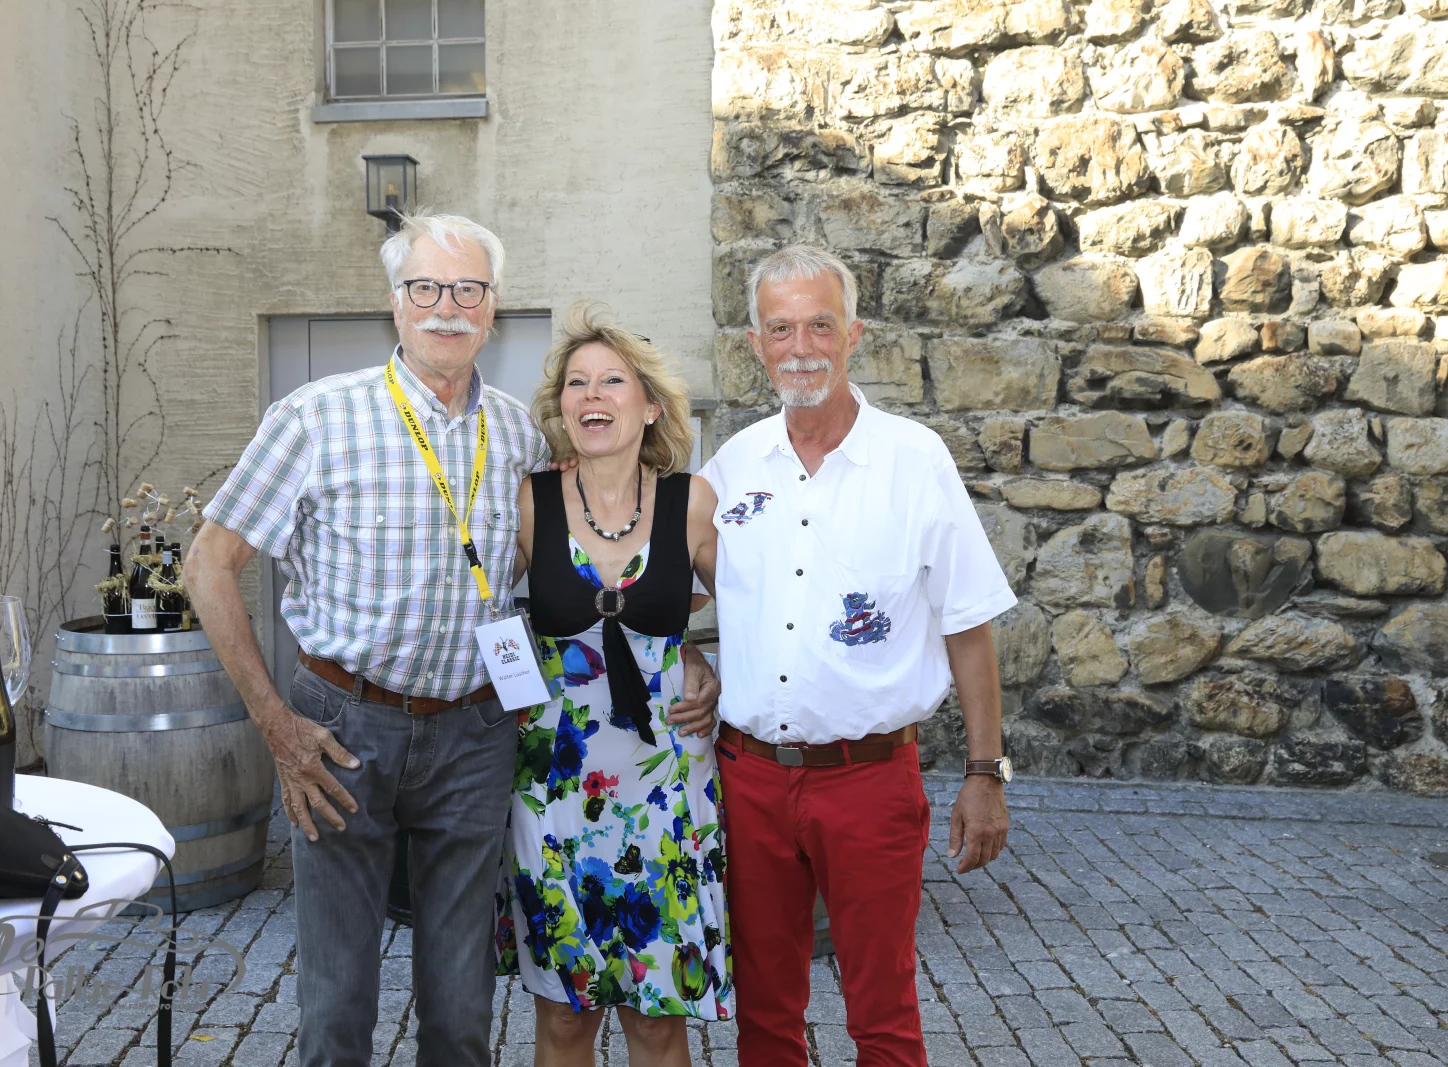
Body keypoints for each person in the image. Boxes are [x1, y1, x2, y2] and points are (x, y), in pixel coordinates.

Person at [187, 216, 717, 1067]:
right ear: (395, 302)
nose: (447, 306)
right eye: (426, 287)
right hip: (343, 727)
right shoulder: (316, 416)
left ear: (492, 308)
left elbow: (592, 570)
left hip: (477, 731)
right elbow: (208, 566)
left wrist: (679, 648)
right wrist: (276, 724)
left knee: (463, 1007)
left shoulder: (520, 439)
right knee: (337, 1002)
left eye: (468, 289)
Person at [702, 244, 1015, 1067]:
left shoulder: (914, 459)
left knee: (884, 1010)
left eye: (819, 325)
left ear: (853, 334)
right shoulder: (731, 467)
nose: (800, 346)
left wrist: (985, 772)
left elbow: (969, 622)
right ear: (755, 344)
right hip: (749, 779)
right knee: (764, 1008)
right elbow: (680, 588)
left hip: (869, 781)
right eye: (780, 329)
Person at [495, 305, 728, 1066]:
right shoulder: (528, 502)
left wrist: (703, 661)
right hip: (553, 789)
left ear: (650, 404)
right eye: (577, 382)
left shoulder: (693, 502)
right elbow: (475, 607)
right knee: (565, 1017)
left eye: (612, 381)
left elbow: (763, 614)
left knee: (657, 1020)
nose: (592, 395)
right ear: (563, 406)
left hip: (667, 790)